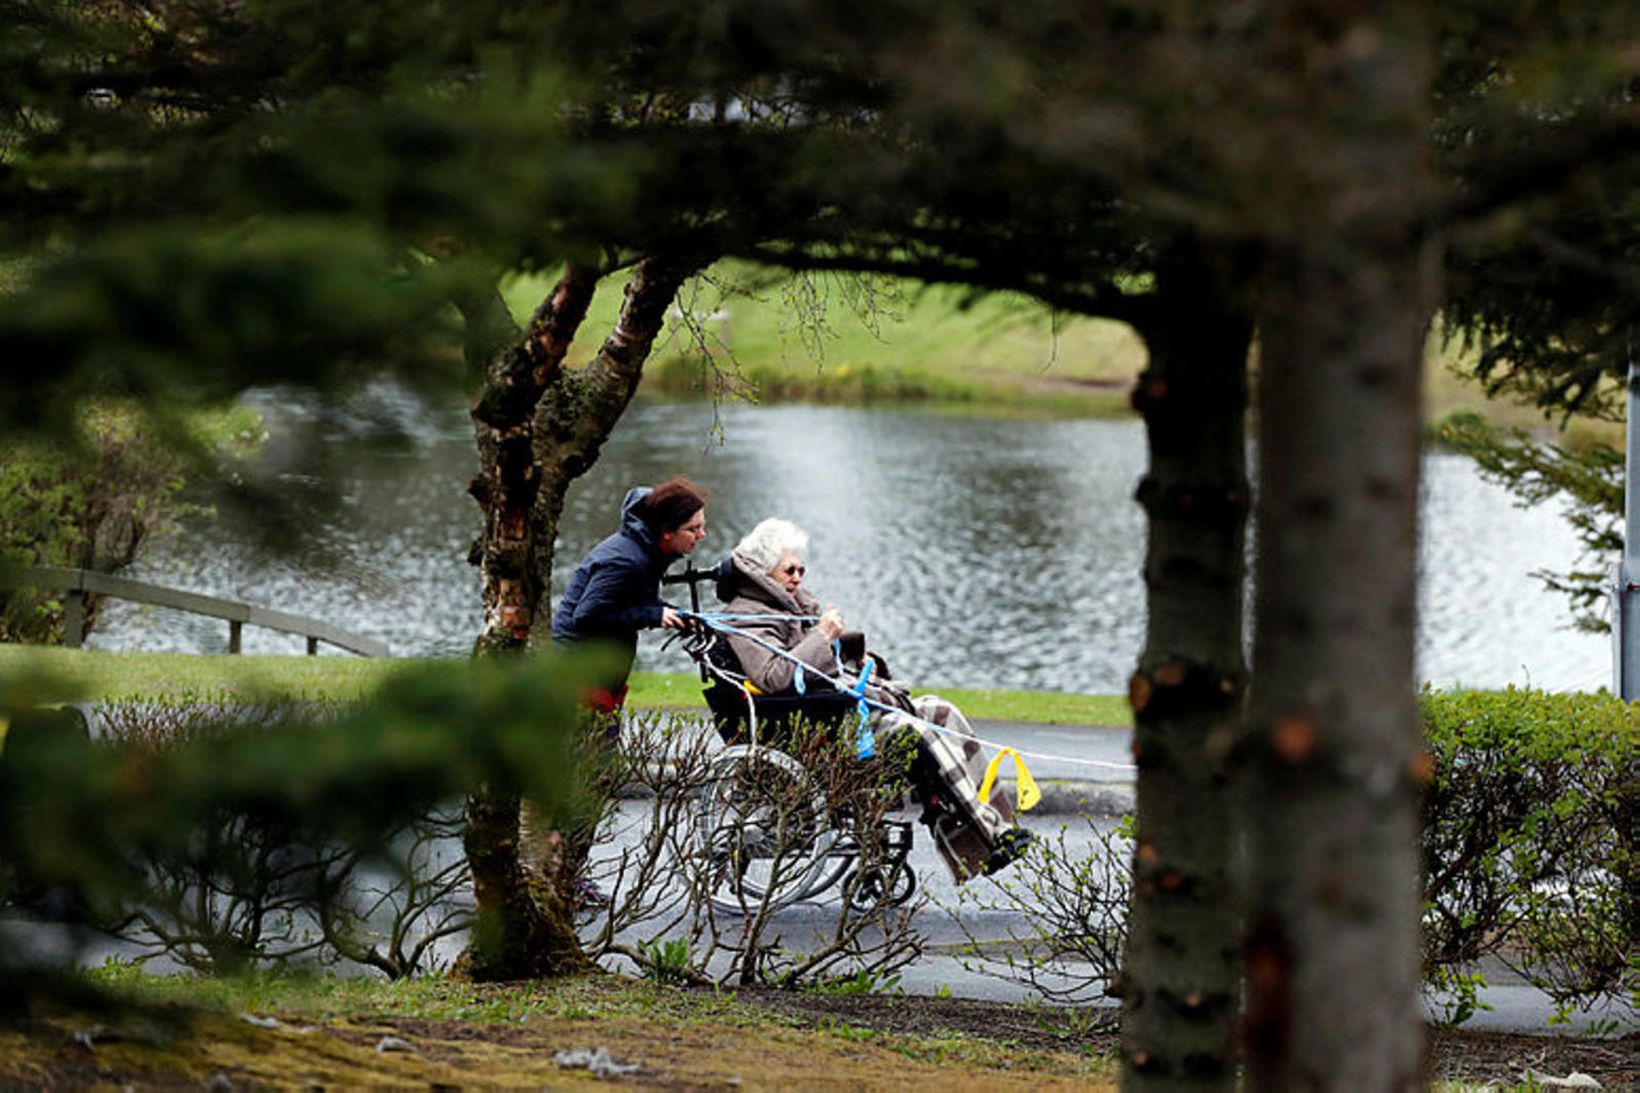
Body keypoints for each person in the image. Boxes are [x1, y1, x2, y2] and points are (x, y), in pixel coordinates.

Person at [715, 517, 1033, 882]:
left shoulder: (791, 607)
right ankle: (985, 838)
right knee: (920, 734)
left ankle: (1001, 829)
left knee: (944, 712)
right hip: (818, 726)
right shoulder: (748, 618)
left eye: (802, 569)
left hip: (839, 711)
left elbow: (819, 663)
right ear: (763, 572)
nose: (799, 576)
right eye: (790, 569)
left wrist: (855, 657)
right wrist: (821, 636)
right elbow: (774, 676)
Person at [552, 475, 708, 712]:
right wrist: (652, 615)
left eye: (702, 526)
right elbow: (586, 617)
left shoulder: (648, 550)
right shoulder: (624, 561)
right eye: (693, 529)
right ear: (667, 531)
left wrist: (674, 615)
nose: (702, 535)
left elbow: (633, 603)